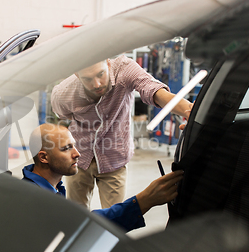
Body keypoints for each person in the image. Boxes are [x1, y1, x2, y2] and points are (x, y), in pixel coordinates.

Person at [51, 55, 192, 209]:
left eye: (100, 74)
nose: (97, 84)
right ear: (77, 75)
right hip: (79, 157)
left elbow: (154, 91)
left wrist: (188, 110)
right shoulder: (63, 94)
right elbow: (63, 116)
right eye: (88, 79)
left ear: (108, 63)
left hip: (114, 159)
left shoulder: (124, 69)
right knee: (76, 214)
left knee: (115, 217)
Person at [22, 123, 184, 232]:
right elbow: (82, 225)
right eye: (66, 148)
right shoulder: (35, 200)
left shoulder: (51, 188)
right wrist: (144, 200)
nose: (77, 154)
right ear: (44, 157)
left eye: (74, 146)